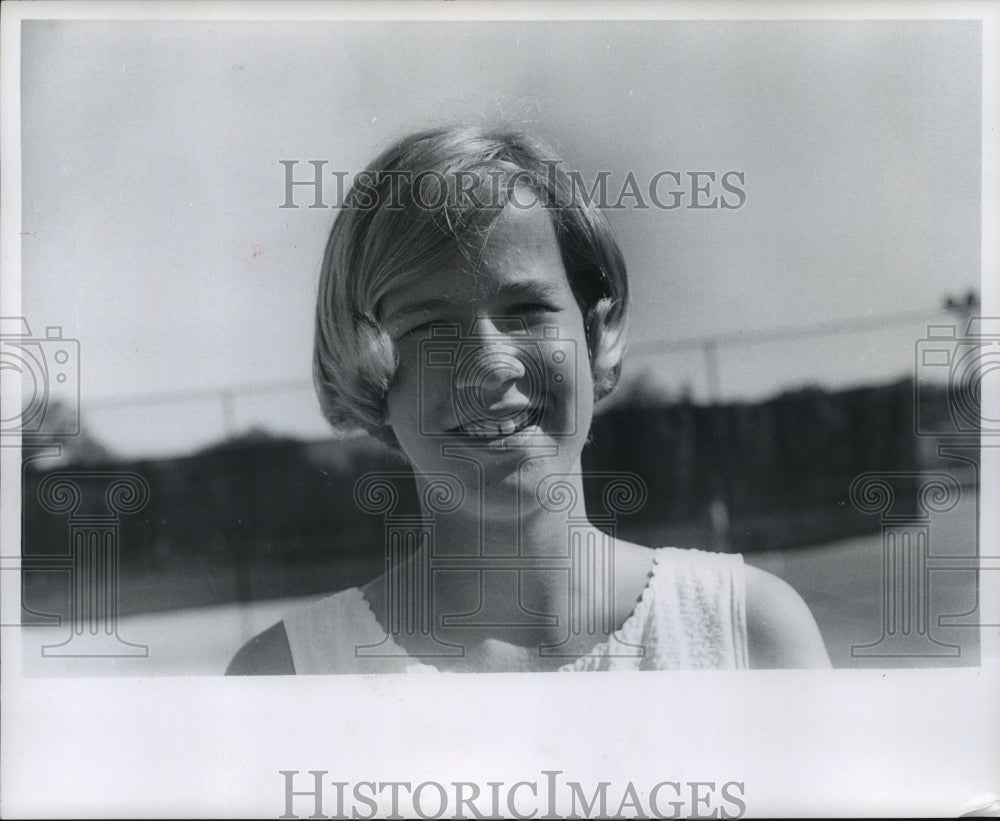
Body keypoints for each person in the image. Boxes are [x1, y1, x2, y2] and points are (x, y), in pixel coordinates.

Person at [227, 126, 831, 674]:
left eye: (526, 312)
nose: (491, 370)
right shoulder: (289, 677)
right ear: (369, 370)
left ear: (595, 334)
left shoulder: (748, 633)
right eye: (428, 328)